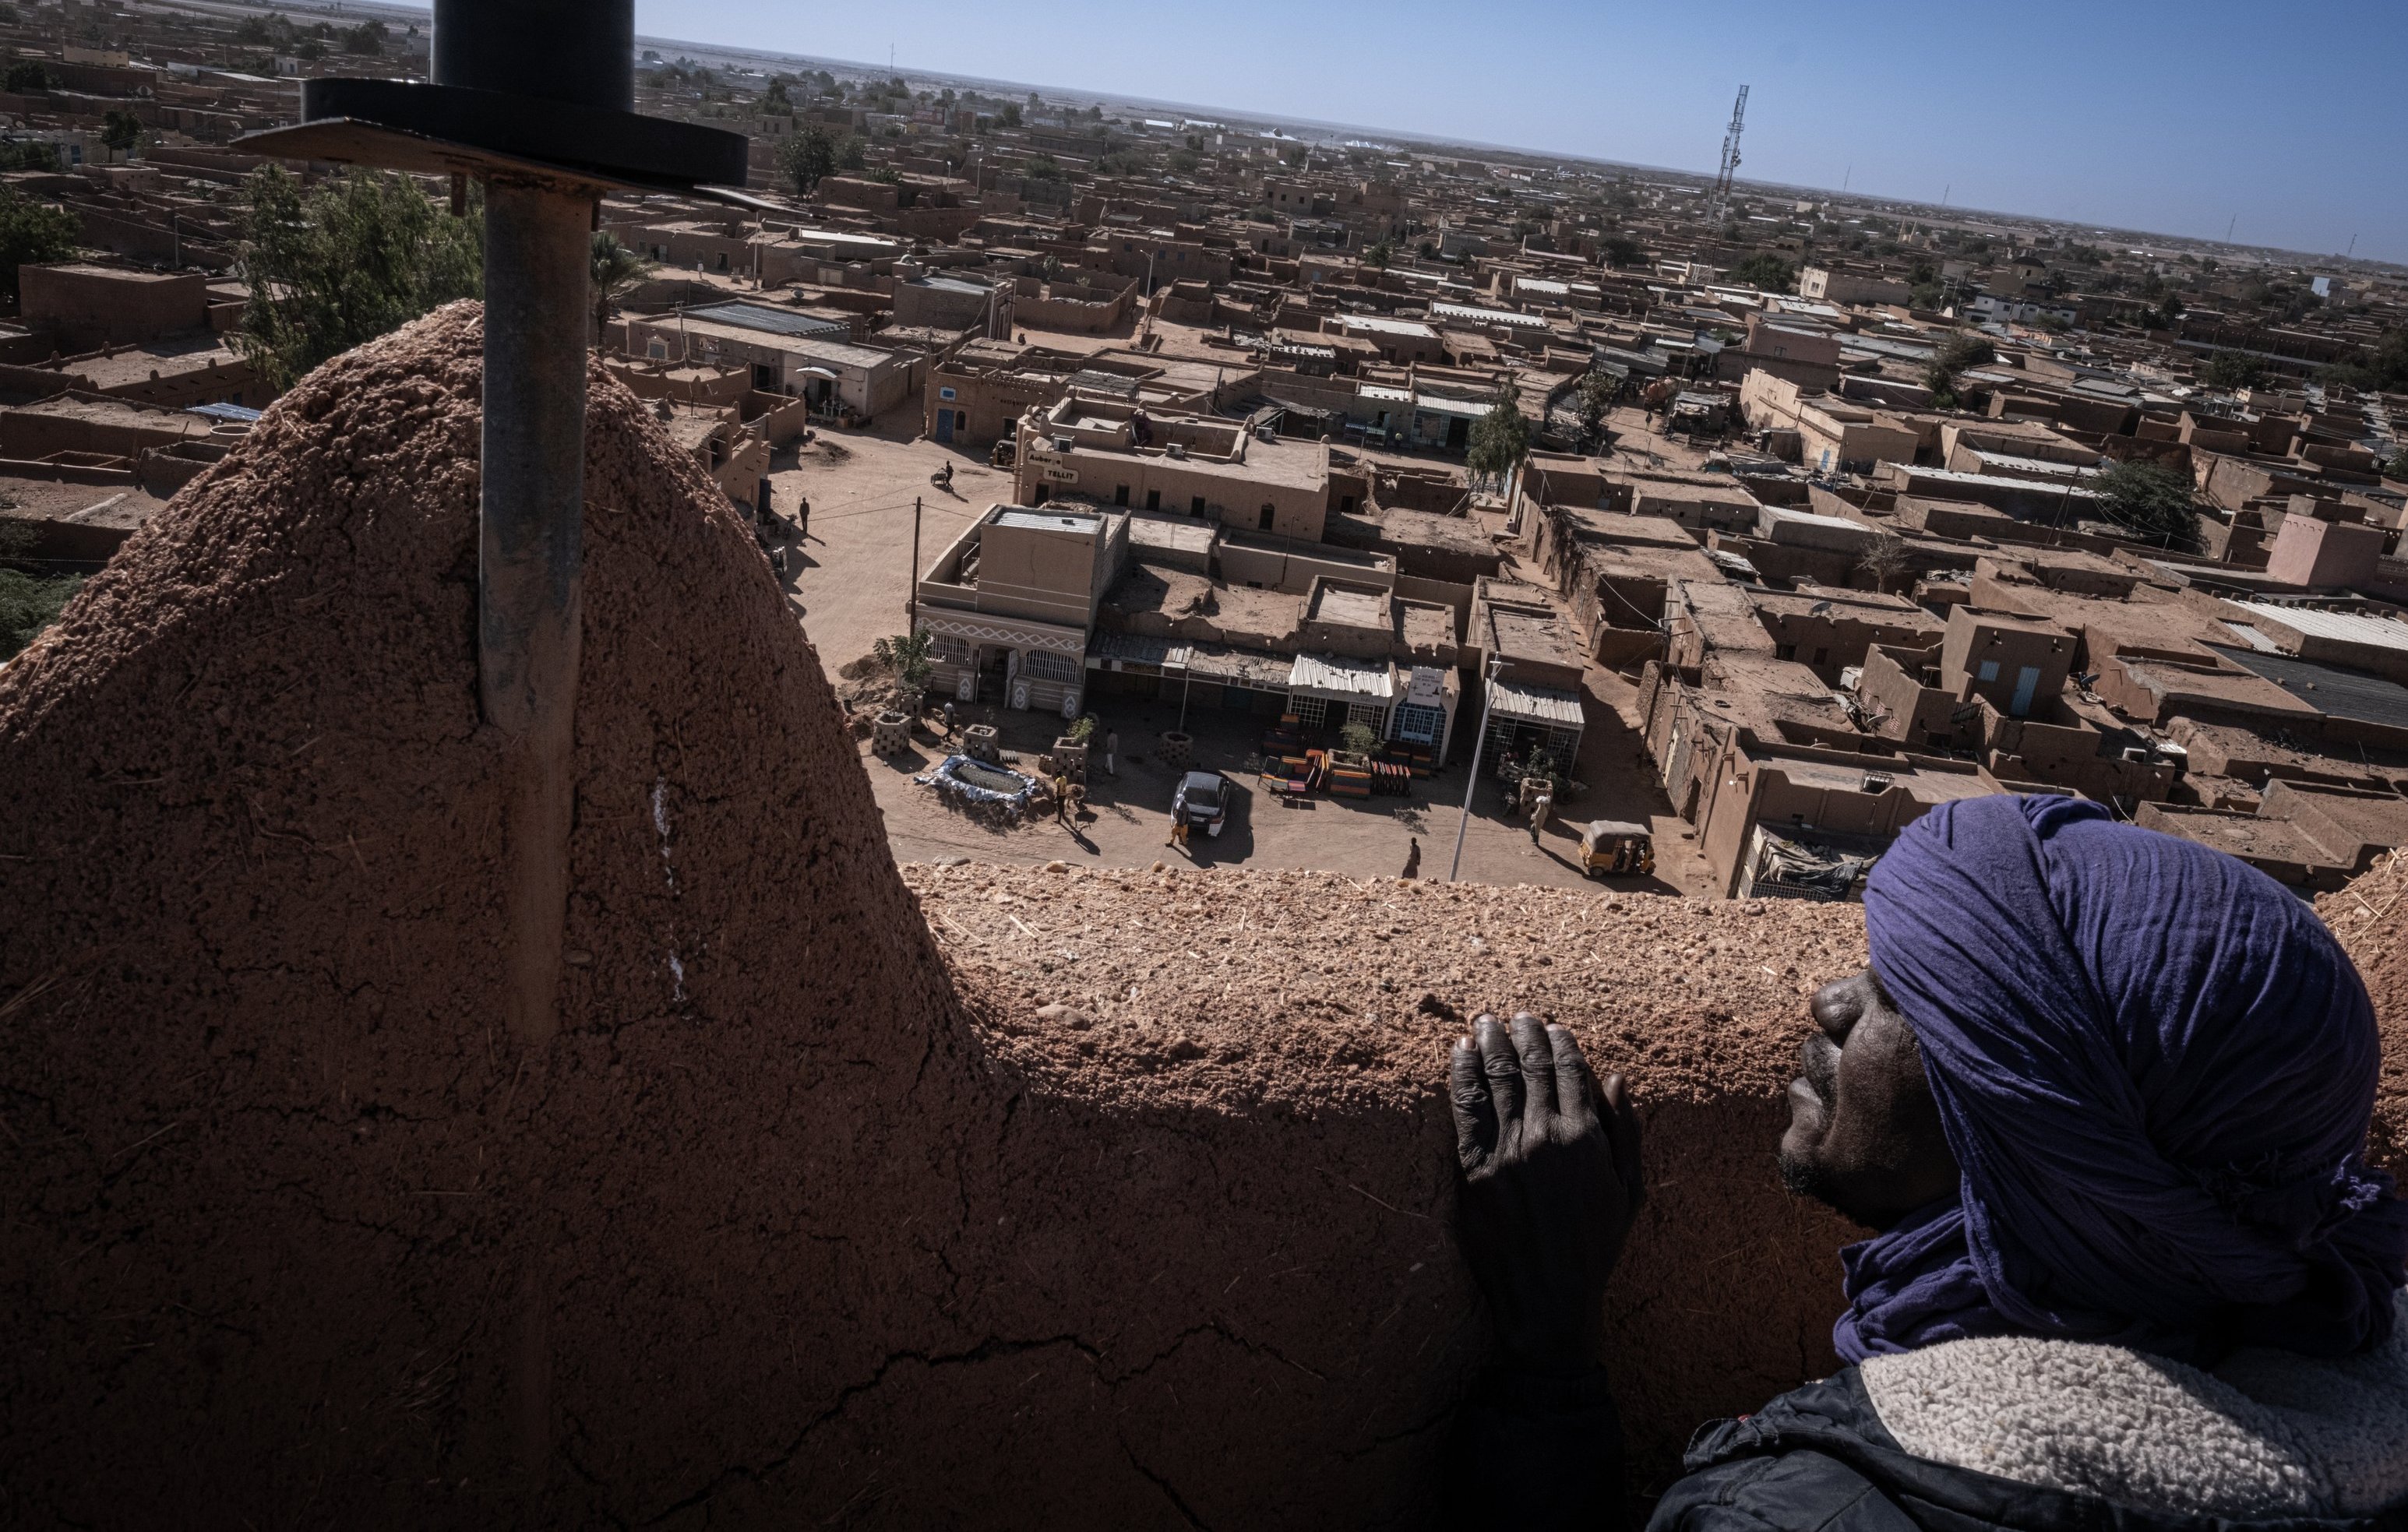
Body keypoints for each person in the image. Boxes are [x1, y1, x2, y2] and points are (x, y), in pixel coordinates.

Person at [1445, 794, 2408, 1530]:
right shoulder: (2351, 1426)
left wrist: (1546, 1354)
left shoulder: (1800, 1512)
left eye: (1905, 995)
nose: (1828, 1003)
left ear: (2045, 1126)